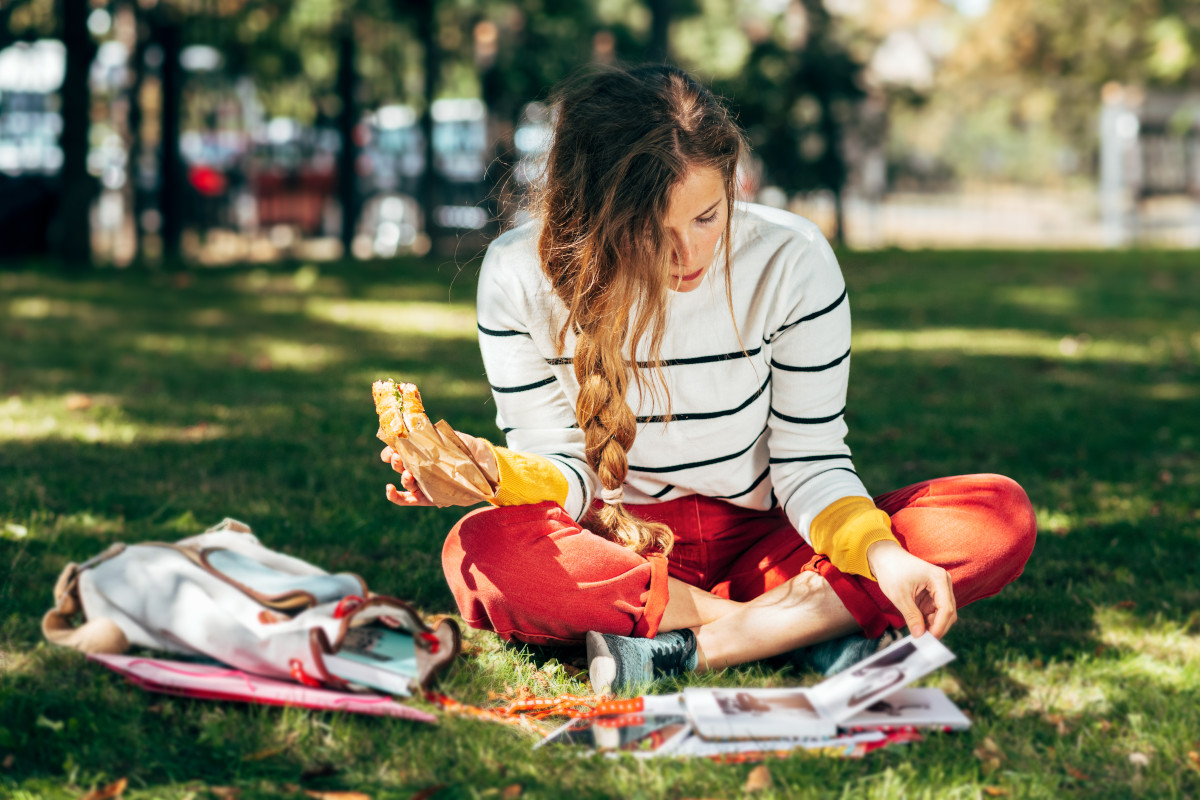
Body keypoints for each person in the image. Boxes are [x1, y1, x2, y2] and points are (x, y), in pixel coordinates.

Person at [380, 64, 1036, 695]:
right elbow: (565, 474)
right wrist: (493, 473)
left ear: (734, 186)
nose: (688, 256)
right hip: (618, 547)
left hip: (767, 543)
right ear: (594, 215)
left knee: (993, 515)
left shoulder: (792, 259)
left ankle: (695, 647)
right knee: (481, 551)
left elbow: (810, 462)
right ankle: (801, 628)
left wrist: (882, 556)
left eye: (706, 217)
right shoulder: (517, 275)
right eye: (652, 229)